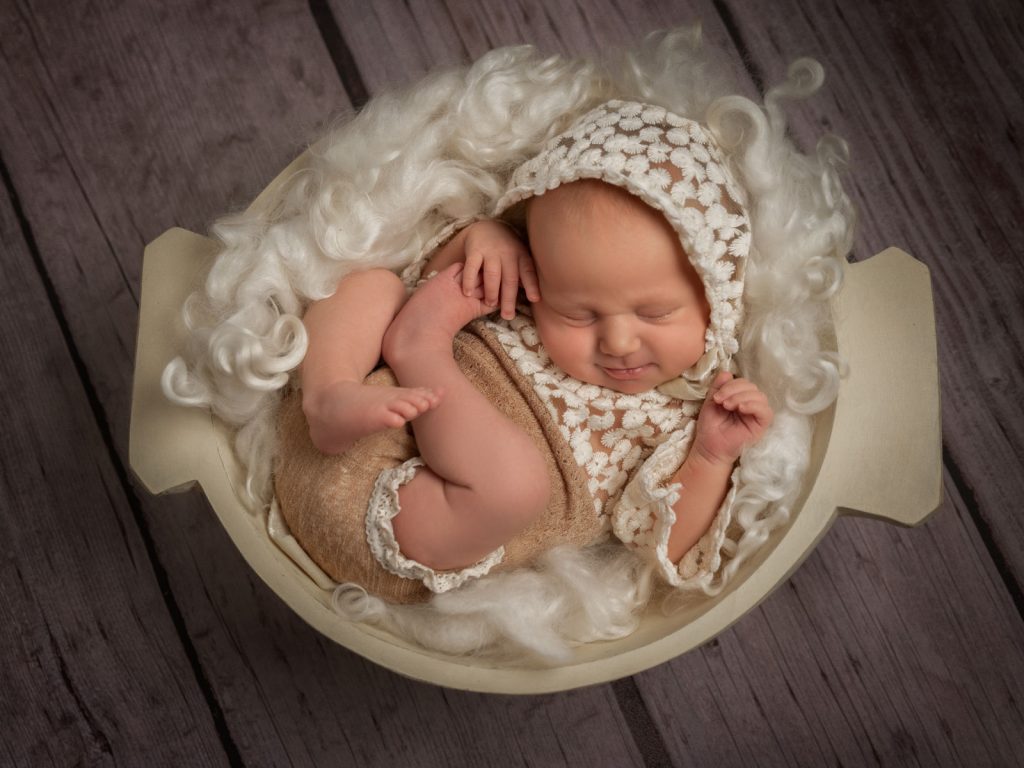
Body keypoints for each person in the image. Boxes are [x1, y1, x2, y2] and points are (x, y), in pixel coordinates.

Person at [276, 100, 773, 603]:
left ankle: (419, 347)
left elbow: (664, 541)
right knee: (375, 286)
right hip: (326, 447)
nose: (619, 342)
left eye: (655, 314)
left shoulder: (680, 417)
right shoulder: (531, 290)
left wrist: (711, 455)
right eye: (578, 315)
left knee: (515, 488)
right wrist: (481, 241)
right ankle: (327, 392)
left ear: (716, 300)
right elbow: (435, 279)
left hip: (400, 533)